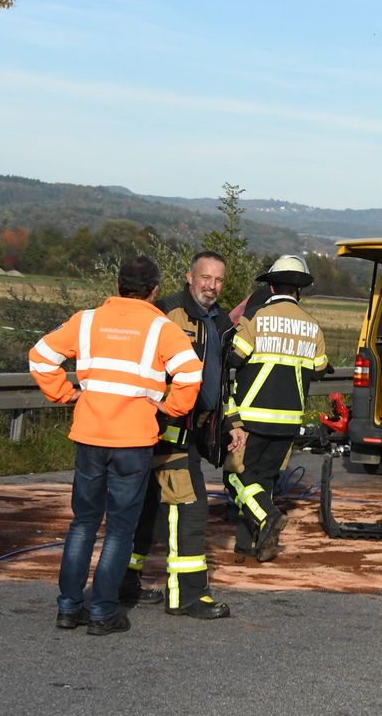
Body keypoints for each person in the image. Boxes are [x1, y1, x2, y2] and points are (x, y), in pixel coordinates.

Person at [28, 256, 202, 635]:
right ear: (155, 290)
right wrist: (170, 407)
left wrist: (65, 395)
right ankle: (103, 611)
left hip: (90, 437)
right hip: (134, 442)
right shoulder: (162, 327)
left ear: (118, 284)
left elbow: (41, 356)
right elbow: (191, 373)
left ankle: (68, 607)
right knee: (121, 529)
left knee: (83, 524)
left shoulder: (86, 320)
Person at [124, 251, 234, 619]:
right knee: (190, 507)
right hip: (166, 429)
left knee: (149, 509)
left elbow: (219, 381)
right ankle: (187, 596)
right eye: (205, 278)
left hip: (196, 429)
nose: (211, 286)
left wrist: (228, 426)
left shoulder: (219, 321)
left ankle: (125, 583)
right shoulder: (167, 312)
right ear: (189, 277)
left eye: (218, 280)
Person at [224, 255, 328, 562]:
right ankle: (251, 545)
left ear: (270, 286)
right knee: (264, 481)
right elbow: (320, 368)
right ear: (300, 291)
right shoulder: (313, 327)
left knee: (236, 477)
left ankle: (268, 517)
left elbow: (235, 358)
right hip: (288, 421)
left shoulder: (256, 318)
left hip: (251, 417)